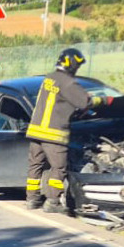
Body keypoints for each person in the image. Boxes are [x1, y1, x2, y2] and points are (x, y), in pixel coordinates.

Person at [25, 48, 111, 213]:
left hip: (36, 131)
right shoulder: (67, 82)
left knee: (35, 166)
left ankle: (32, 199)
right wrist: (105, 100)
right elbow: (85, 102)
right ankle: (52, 201)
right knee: (59, 168)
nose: (77, 69)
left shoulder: (49, 78)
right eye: (77, 66)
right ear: (71, 64)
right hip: (54, 134)